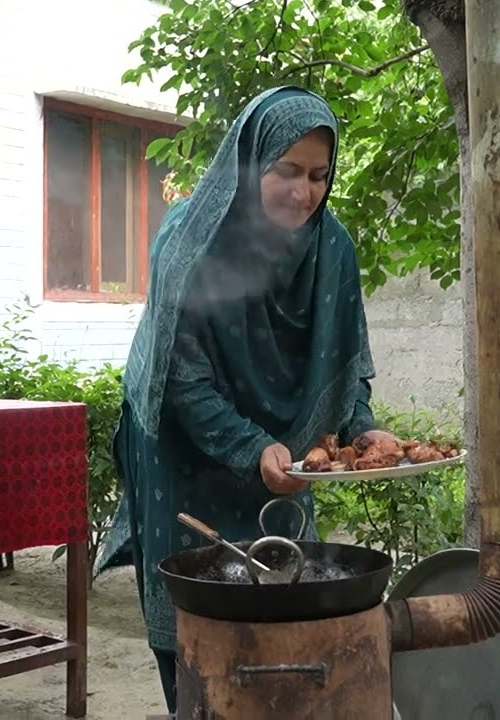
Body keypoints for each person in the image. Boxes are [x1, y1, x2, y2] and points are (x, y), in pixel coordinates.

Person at [93, 86, 391, 714]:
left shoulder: (332, 248)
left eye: (318, 175)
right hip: (180, 458)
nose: (302, 192)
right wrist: (252, 447)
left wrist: (359, 430)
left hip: (285, 457)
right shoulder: (193, 238)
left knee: (283, 598)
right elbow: (181, 381)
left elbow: (344, 361)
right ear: (249, 162)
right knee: (197, 618)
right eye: (284, 171)